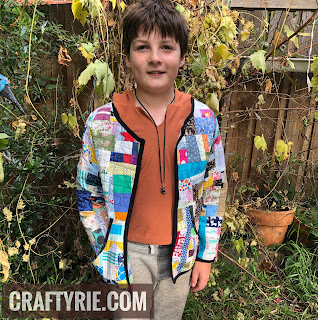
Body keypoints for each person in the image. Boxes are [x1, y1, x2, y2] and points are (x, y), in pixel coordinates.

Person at [76, 0, 228, 318]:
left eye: (167, 47)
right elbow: (88, 195)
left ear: (182, 57)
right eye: (143, 47)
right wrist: (106, 248)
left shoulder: (202, 121)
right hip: (126, 256)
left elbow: (214, 189)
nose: (155, 58)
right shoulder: (103, 124)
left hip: (182, 255)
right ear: (129, 57)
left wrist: (206, 254)